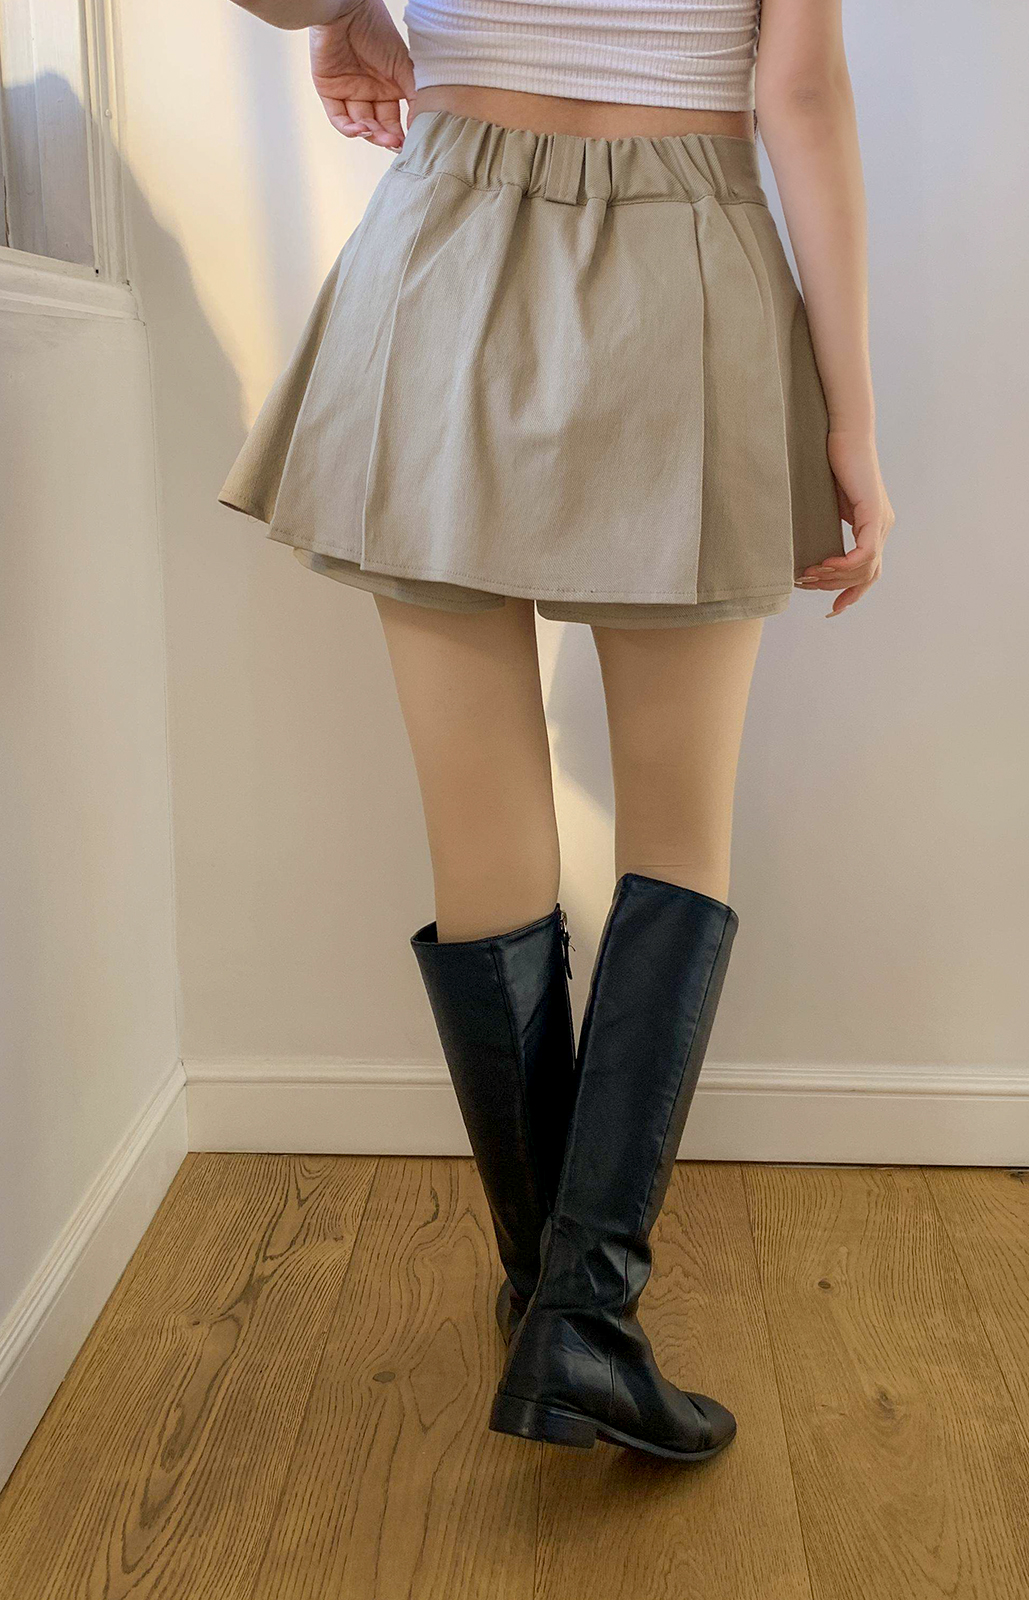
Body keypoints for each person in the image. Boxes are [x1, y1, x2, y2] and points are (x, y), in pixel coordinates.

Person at [223, 0, 893, 1462]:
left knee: (480, 839)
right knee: (679, 835)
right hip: (688, 263)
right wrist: (851, 418)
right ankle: (581, 1318)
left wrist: (341, 16)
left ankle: (554, 1297)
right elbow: (801, 95)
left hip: (445, 248)